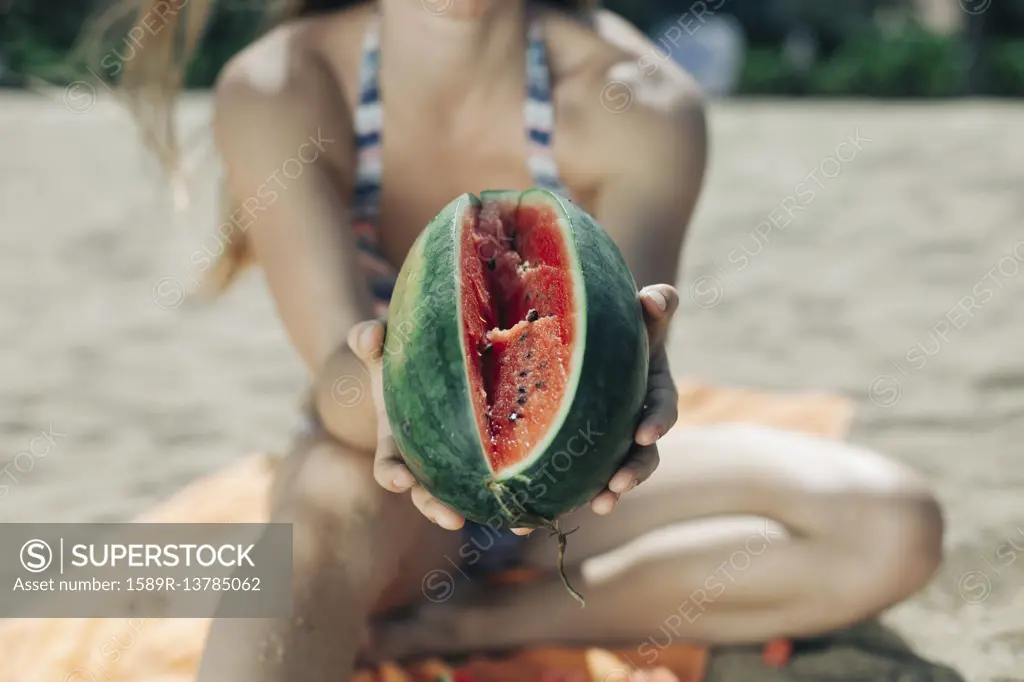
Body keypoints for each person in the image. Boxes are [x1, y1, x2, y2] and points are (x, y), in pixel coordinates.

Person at [105, 1, 944, 680]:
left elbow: (622, 351)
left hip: (576, 486)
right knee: (317, 518)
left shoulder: (643, 104)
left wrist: (643, 389)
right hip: (379, 472)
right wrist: (391, 396)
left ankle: (470, 624)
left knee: (893, 523)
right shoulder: (282, 86)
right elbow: (334, 369)